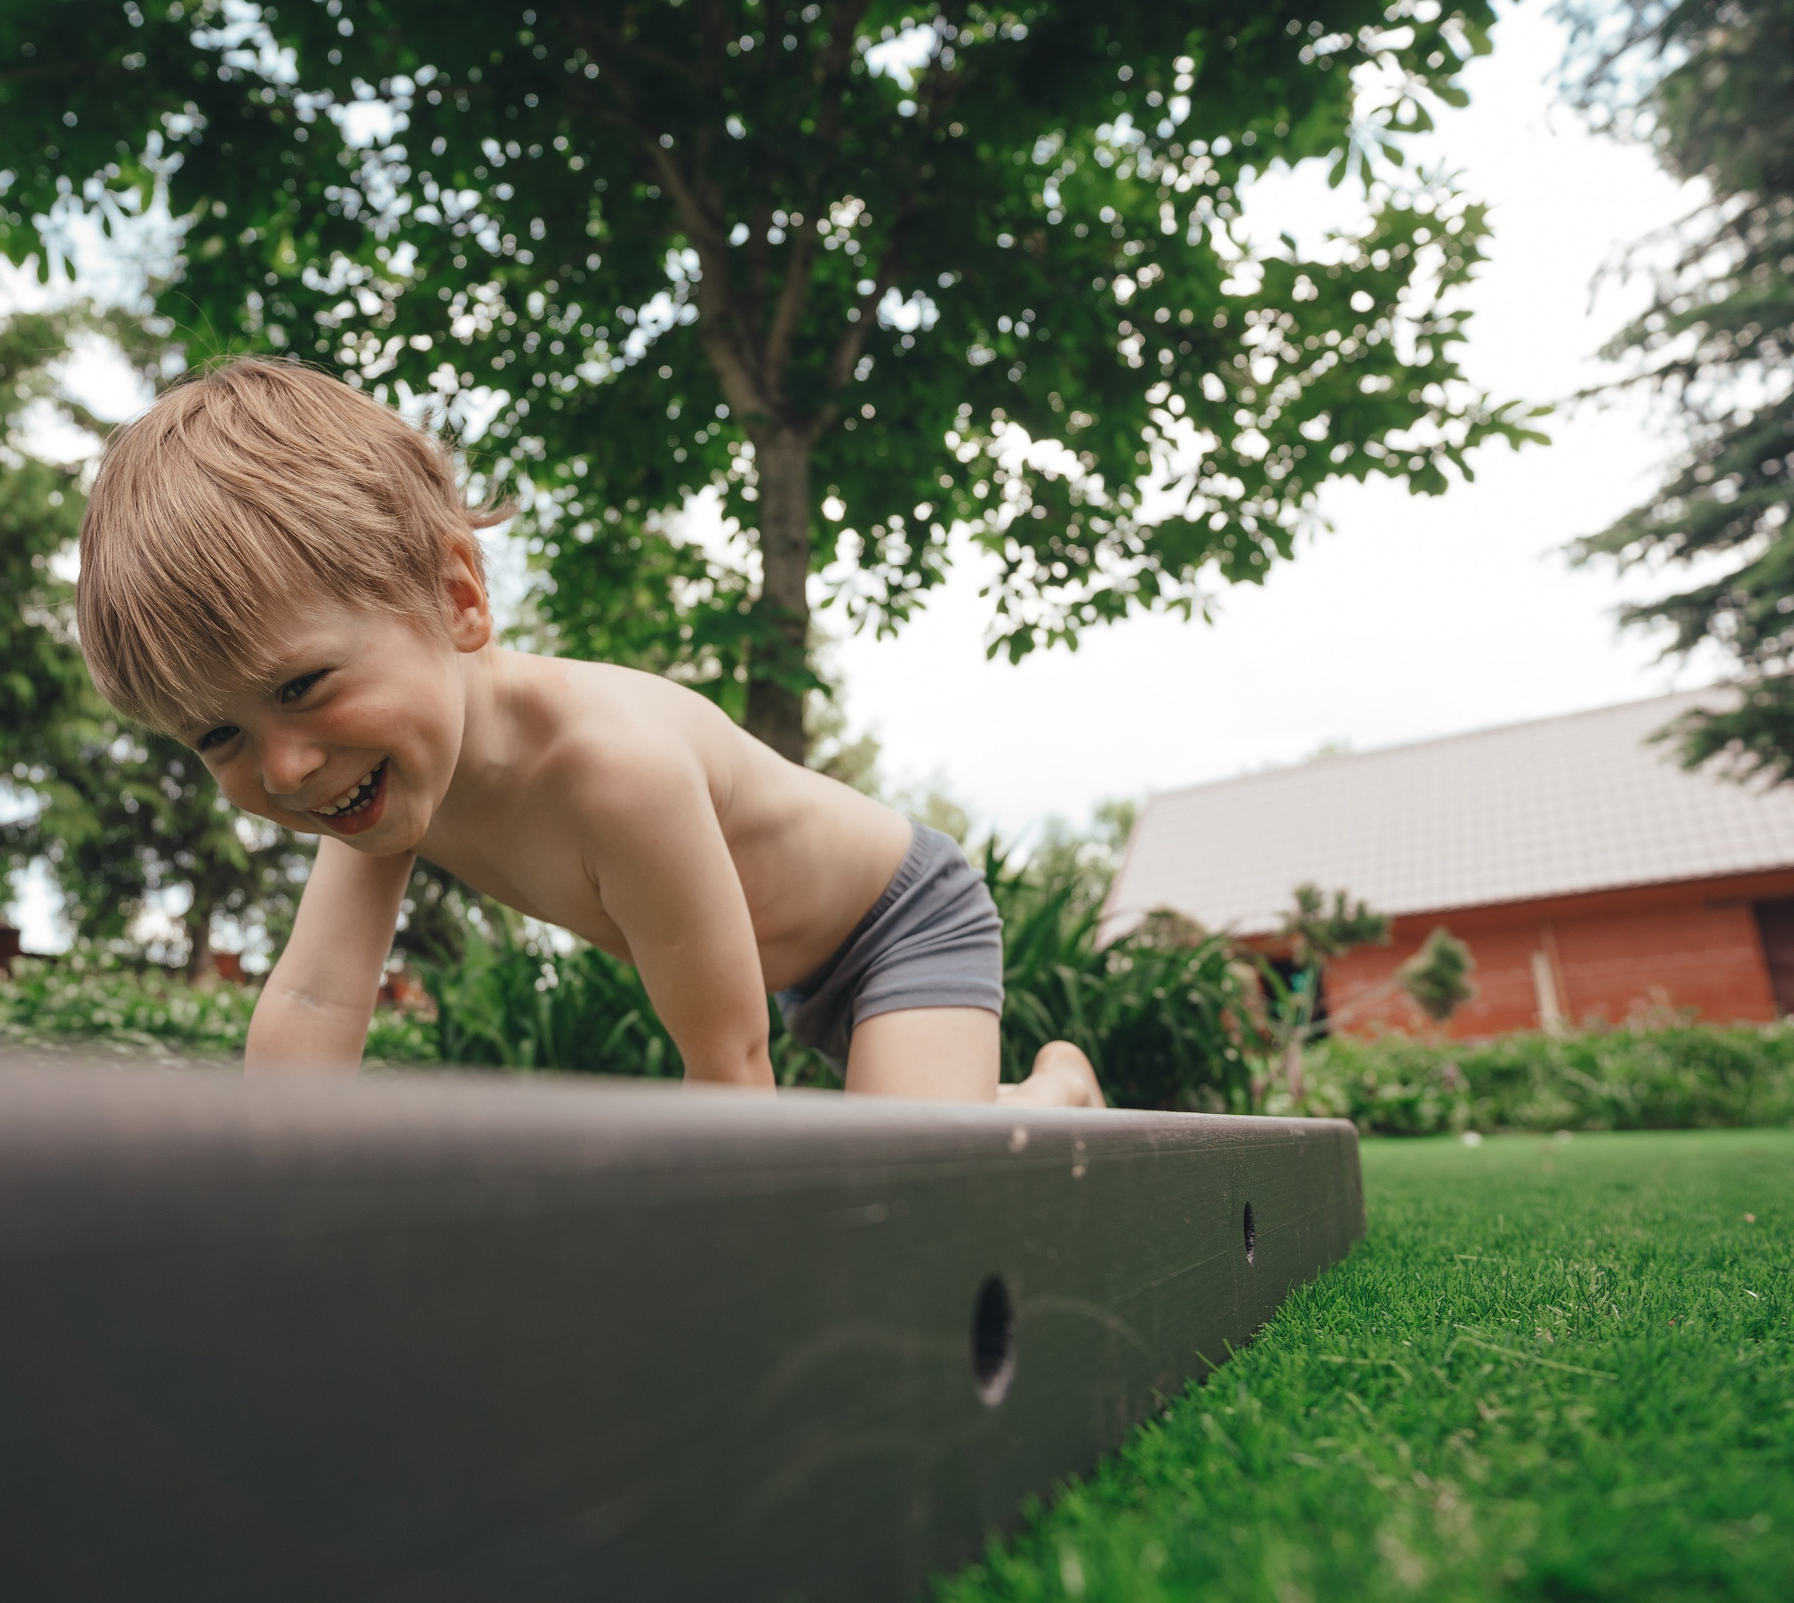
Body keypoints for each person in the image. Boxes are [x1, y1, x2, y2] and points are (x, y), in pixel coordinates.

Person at [75, 358, 1103, 1106]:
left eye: (300, 685)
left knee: (919, 1194)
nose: (286, 767)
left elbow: (730, 1066)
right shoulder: (379, 783)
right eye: (218, 738)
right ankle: (997, 1103)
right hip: (775, 961)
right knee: (917, 1135)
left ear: (455, 593)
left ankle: (1053, 1099)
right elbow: (310, 1000)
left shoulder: (613, 768)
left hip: (894, 926)